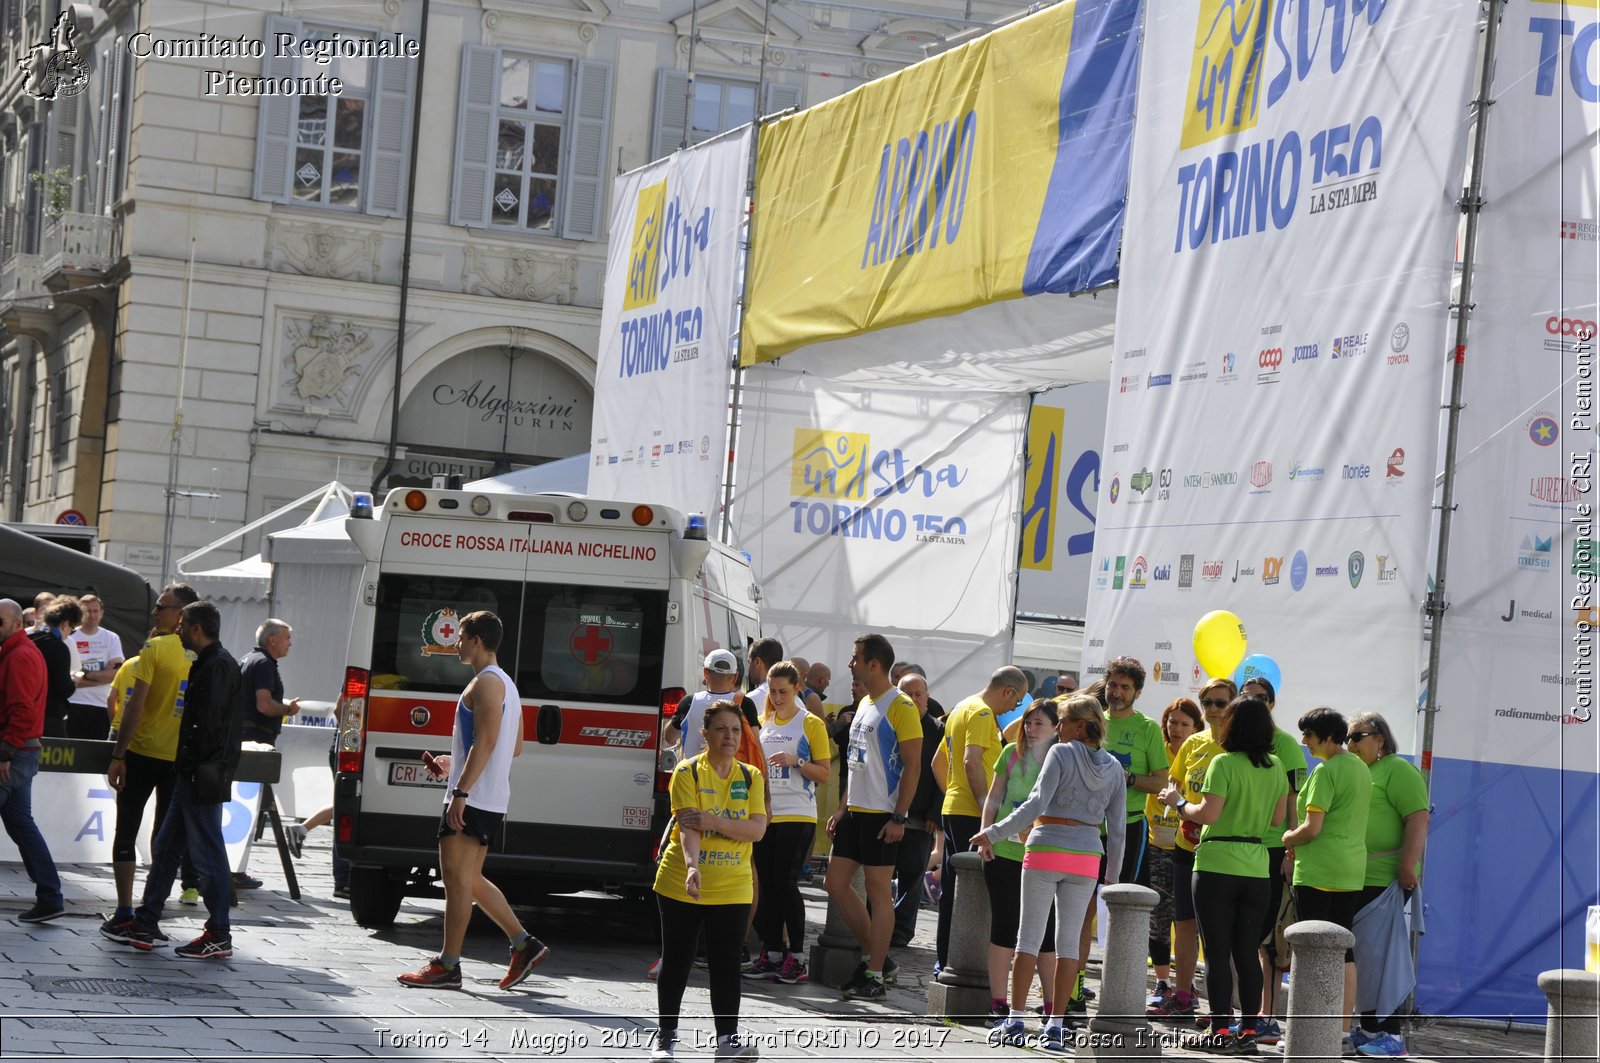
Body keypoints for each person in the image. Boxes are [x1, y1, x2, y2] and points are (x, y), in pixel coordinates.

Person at [397, 610, 548, 990]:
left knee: (456, 881)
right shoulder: (507, 686)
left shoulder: (484, 684)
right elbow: (512, 746)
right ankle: (523, 944)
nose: (457, 644)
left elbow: (488, 742)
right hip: (492, 796)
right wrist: (455, 763)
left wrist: (460, 792)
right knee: (469, 878)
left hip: (475, 796)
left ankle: (448, 965)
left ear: (476, 640)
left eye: (461, 637)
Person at [975, 694, 1126, 1051]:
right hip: (1088, 856)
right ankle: (1056, 1025)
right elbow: (1118, 829)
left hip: (1046, 847)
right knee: (1068, 945)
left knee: (1027, 939)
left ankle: (1014, 1019)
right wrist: (1112, 877)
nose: (1057, 729)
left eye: (1062, 722)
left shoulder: (1060, 752)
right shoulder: (1115, 767)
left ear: (1079, 725)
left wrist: (993, 831)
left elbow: (1036, 803)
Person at [1157, 695, 1289, 1055]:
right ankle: (1249, 1032)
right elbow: (1278, 820)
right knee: (1247, 952)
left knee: (1217, 954)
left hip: (1216, 863)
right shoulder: (1276, 766)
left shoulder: (1223, 763)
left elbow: (1207, 813)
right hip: (1256, 863)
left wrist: (1177, 802)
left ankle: (1218, 1031)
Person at [118, 601, 245, 958]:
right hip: (191, 770)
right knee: (166, 847)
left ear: (196, 629)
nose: (177, 629)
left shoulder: (217, 666)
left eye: (183, 624)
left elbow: (210, 725)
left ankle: (219, 931)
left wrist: (191, 763)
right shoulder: (209, 662)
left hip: (200, 772)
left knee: (207, 853)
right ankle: (147, 919)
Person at [652, 699, 768, 1061]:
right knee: (677, 959)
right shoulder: (688, 772)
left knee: (726, 962)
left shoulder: (750, 776)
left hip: (733, 884)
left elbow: (757, 830)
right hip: (682, 880)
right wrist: (691, 866)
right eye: (721, 729)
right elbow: (689, 828)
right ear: (705, 734)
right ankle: (665, 1037)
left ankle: (727, 1041)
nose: (730, 736)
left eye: (735, 730)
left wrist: (715, 821)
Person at [824, 632, 922, 1000]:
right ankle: (875, 959)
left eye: (855, 658)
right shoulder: (865, 701)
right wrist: (842, 807)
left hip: (884, 814)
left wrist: (899, 818)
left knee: (880, 895)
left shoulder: (901, 706)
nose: (850, 664)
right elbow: (857, 762)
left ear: (873, 664)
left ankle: (876, 975)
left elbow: (913, 766)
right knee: (834, 883)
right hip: (856, 810)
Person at [102, 583, 204, 935]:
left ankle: (126, 910)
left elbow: (134, 706)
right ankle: (149, 913)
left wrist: (118, 755)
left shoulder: (155, 647)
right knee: (166, 837)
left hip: (143, 753)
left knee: (127, 829)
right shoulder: (206, 653)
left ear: (182, 613)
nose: (155, 612)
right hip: (179, 759)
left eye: (162, 606)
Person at [1281, 708, 1372, 1040]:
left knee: (1310, 950)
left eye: (1309, 735)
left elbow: (1311, 828)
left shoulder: (1325, 771)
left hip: (1318, 871)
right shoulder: (1361, 769)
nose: (1305, 741)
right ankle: (1342, 1032)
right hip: (1350, 871)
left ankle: (1307, 1033)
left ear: (1329, 737)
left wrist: (1288, 838)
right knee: (1344, 951)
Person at [1151, 677, 1236, 1024]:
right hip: (1186, 846)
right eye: (1208, 702)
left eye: (1221, 702)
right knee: (1182, 924)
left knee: (1219, 931)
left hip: (1222, 851)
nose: (1214, 709)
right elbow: (1174, 782)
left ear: (1233, 705)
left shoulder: (1240, 746)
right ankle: (1183, 995)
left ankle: (1224, 1006)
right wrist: (1179, 807)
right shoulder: (1194, 743)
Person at [1345, 711, 1429, 1059]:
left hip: (1386, 879)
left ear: (1379, 738)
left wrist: (1407, 865)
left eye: (1356, 736)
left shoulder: (1398, 770)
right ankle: (1369, 1030)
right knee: (1365, 959)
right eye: (1347, 737)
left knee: (1383, 960)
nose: (1349, 743)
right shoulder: (1360, 771)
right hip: (1355, 877)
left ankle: (1392, 1036)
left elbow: (1418, 817)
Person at [934, 666, 1026, 970]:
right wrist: (985, 806)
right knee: (974, 891)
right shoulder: (983, 713)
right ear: (1008, 691)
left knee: (954, 888)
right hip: (972, 813)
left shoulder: (961, 707)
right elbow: (971, 760)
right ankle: (962, 963)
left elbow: (938, 762)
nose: (1014, 708)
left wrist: (954, 791)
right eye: (1017, 701)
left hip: (953, 807)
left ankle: (945, 959)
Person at [977, 699, 1060, 1027]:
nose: (1032, 729)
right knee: (1004, 927)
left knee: (1047, 933)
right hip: (1004, 852)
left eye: (1040, 723)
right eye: (1028, 721)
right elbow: (995, 796)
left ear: (1056, 728)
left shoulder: (1059, 758)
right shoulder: (1010, 751)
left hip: (1042, 855)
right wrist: (986, 833)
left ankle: (1053, 1007)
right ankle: (998, 1004)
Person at [747, 661, 829, 983]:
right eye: (773, 691)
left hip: (798, 811)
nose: (778, 697)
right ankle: (772, 951)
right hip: (767, 813)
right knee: (766, 885)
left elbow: (823, 773)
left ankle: (796, 956)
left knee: (785, 883)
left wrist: (798, 761)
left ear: (797, 688)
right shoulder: (765, 722)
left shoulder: (810, 724)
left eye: (784, 691)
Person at [1241, 675, 1307, 1041]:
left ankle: (1266, 1016)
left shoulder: (1285, 745)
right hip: (1236, 848)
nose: (1255, 703)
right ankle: (1249, 1013)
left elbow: (1294, 803)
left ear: (1272, 703)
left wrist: (1290, 850)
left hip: (1270, 848)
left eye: (1262, 698)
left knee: (1268, 936)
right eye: (1247, 696)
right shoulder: (1232, 740)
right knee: (1244, 936)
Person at [0, 598, 66, 923]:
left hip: (14, 752)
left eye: (0, 622)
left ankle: (51, 895)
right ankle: (51, 896)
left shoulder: (19, 656)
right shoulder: (18, 652)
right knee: (22, 824)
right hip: (21, 751)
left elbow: (23, 711)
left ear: (16, 623)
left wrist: (5, 753)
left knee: (22, 825)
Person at [233, 619, 303, 883]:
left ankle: (233, 869)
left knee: (244, 808)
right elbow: (263, 705)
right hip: (255, 743)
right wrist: (287, 709)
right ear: (272, 640)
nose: (290, 643)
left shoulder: (249, 659)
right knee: (248, 810)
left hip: (244, 738)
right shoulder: (263, 663)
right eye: (287, 638)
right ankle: (235, 870)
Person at [1144, 698, 1203, 1012]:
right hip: (1156, 844)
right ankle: (1163, 982)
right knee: (1158, 918)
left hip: (1189, 847)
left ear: (1196, 727)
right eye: (1173, 721)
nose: (1177, 729)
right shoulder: (1157, 751)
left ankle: (1187, 984)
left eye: (1184, 723)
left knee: (1187, 923)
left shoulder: (1199, 753)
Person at [889, 670, 943, 949]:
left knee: (911, 877)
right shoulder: (889, 723)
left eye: (917, 694)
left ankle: (901, 932)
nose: (912, 699)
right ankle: (879, 924)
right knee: (882, 874)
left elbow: (943, 774)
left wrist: (935, 813)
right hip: (887, 812)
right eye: (906, 694)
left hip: (921, 817)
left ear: (927, 696)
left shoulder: (937, 729)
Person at [664, 650, 742, 758]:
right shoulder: (745, 704)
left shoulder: (689, 702)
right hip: (732, 773)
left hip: (692, 772)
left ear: (705, 673)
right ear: (735, 677)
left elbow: (669, 737)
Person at [68, 594, 124, 739]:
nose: (92, 615)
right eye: (87, 611)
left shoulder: (111, 638)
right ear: (80, 613)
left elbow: (116, 674)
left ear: (101, 613)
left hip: (101, 705)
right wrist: (103, 675)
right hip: (74, 703)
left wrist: (85, 674)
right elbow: (67, 680)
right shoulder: (69, 636)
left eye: (95, 611)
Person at [29, 596, 81, 739]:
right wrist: (74, 681)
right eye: (72, 629)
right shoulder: (59, 647)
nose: (70, 634)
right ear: (65, 624)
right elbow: (64, 688)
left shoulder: (31, 639)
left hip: (23, 712)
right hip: (48, 718)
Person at [744, 638, 783, 715]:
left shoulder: (750, 700)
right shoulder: (795, 699)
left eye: (749, 662)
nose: (748, 668)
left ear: (757, 662)